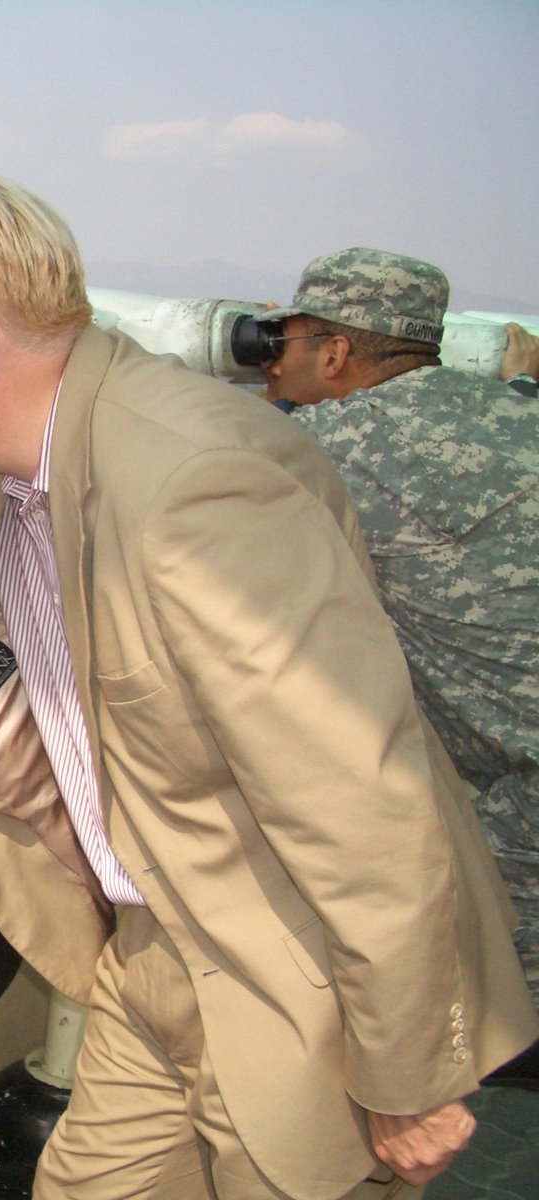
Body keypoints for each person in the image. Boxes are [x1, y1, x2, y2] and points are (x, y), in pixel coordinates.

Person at [0, 171, 536, 1199]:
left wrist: (407, 1067)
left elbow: (355, 792)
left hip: (295, 969)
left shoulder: (192, 482)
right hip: (151, 952)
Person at [258, 249, 539, 1011]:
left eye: (286, 340)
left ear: (334, 353)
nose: (272, 355)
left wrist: (263, 399)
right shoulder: (518, 409)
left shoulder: (327, 447)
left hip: (522, 805)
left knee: (470, 1019)